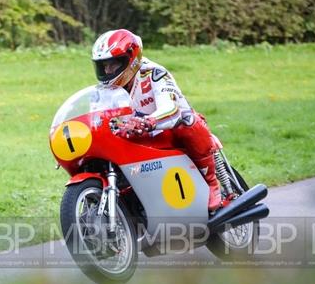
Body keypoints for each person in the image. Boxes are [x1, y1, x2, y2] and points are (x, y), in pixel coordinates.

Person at [91, 29, 225, 212]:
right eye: (103, 66)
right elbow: (96, 121)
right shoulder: (103, 92)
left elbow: (172, 109)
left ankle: (211, 183)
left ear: (131, 59)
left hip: (169, 131)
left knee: (187, 121)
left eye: (112, 64)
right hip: (140, 139)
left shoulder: (153, 73)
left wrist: (148, 121)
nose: (107, 71)